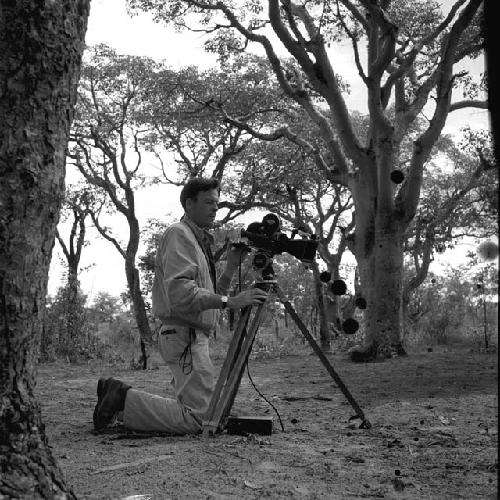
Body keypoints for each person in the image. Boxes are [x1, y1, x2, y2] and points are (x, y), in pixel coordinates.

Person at [93, 177, 268, 434]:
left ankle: (122, 399)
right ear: (189, 204)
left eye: (216, 203)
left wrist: (231, 266)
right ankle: (122, 398)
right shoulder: (179, 233)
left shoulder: (196, 241)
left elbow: (209, 298)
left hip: (191, 334)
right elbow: (181, 293)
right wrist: (230, 302)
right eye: (208, 202)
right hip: (184, 334)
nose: (214, 208)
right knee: (200, 419)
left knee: (202, 413)